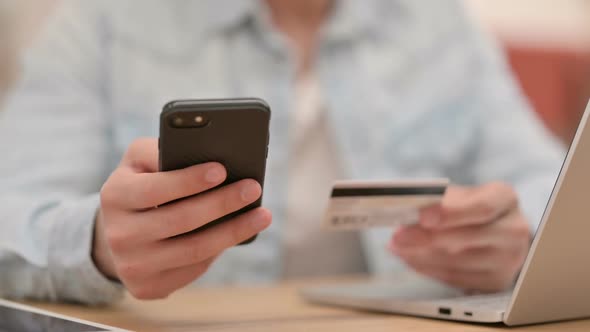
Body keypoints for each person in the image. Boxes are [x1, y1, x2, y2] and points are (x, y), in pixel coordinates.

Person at [0, 0, 564, 305]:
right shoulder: (102, 22)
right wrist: (100, 245)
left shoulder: (439, 25)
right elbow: (11, 220)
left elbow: (551, 185)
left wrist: (519, 241)